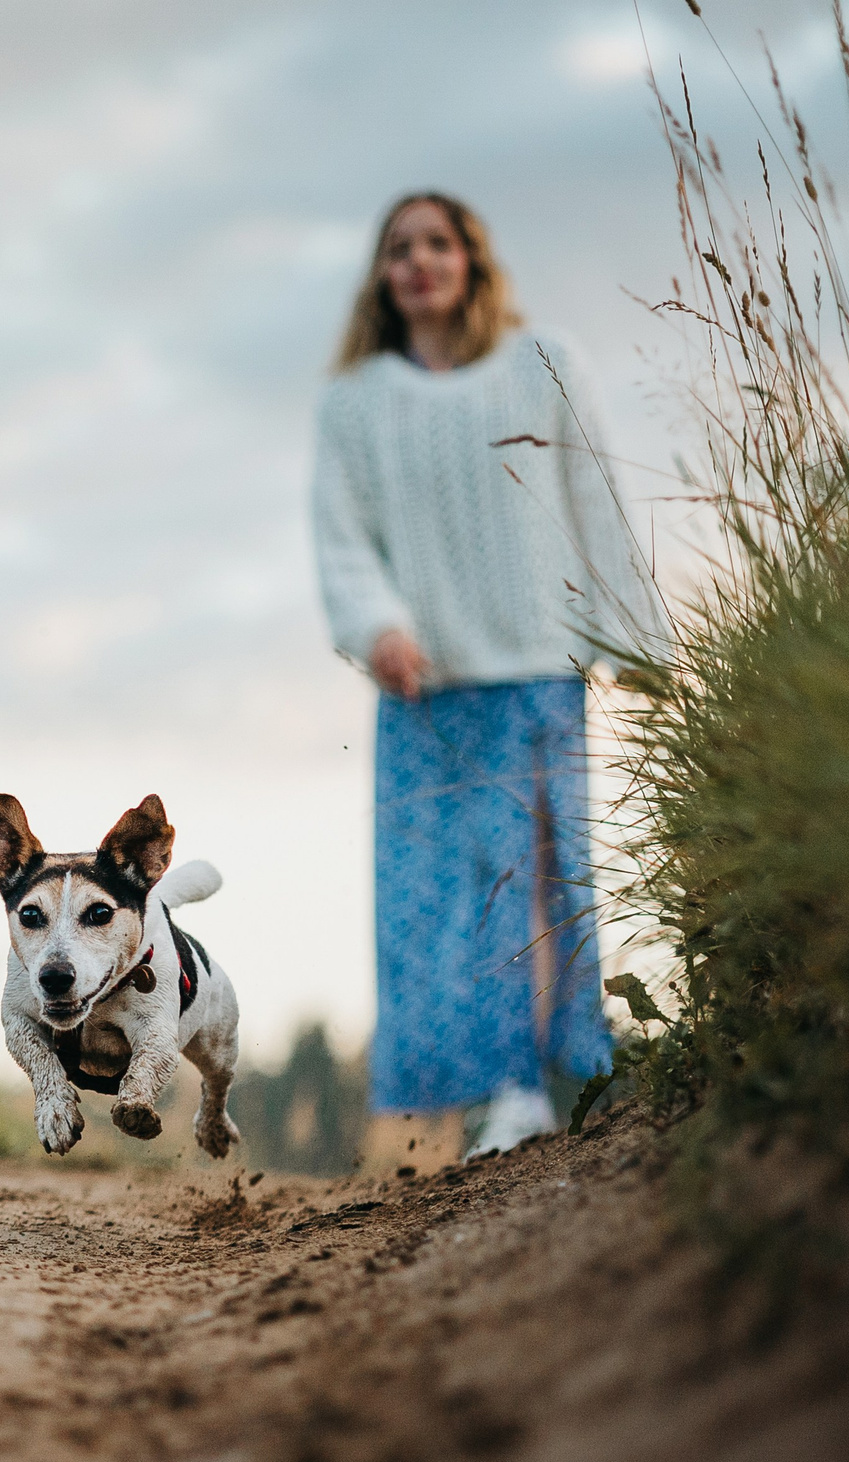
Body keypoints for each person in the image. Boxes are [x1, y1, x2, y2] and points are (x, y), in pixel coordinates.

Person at [311, 190, 665, 1158]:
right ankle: (490, 1092)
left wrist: (640, 643)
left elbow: (595, 495)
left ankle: (546, 1083)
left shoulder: (542, 365)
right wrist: (378, 625)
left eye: (437, 243)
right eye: (399, 249)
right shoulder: (355, 403)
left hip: (536, 670)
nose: (419, 261)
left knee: (538, 882)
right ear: (382, 276)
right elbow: (342, 540)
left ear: (471, 258)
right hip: (423, 688)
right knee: (443, 898)